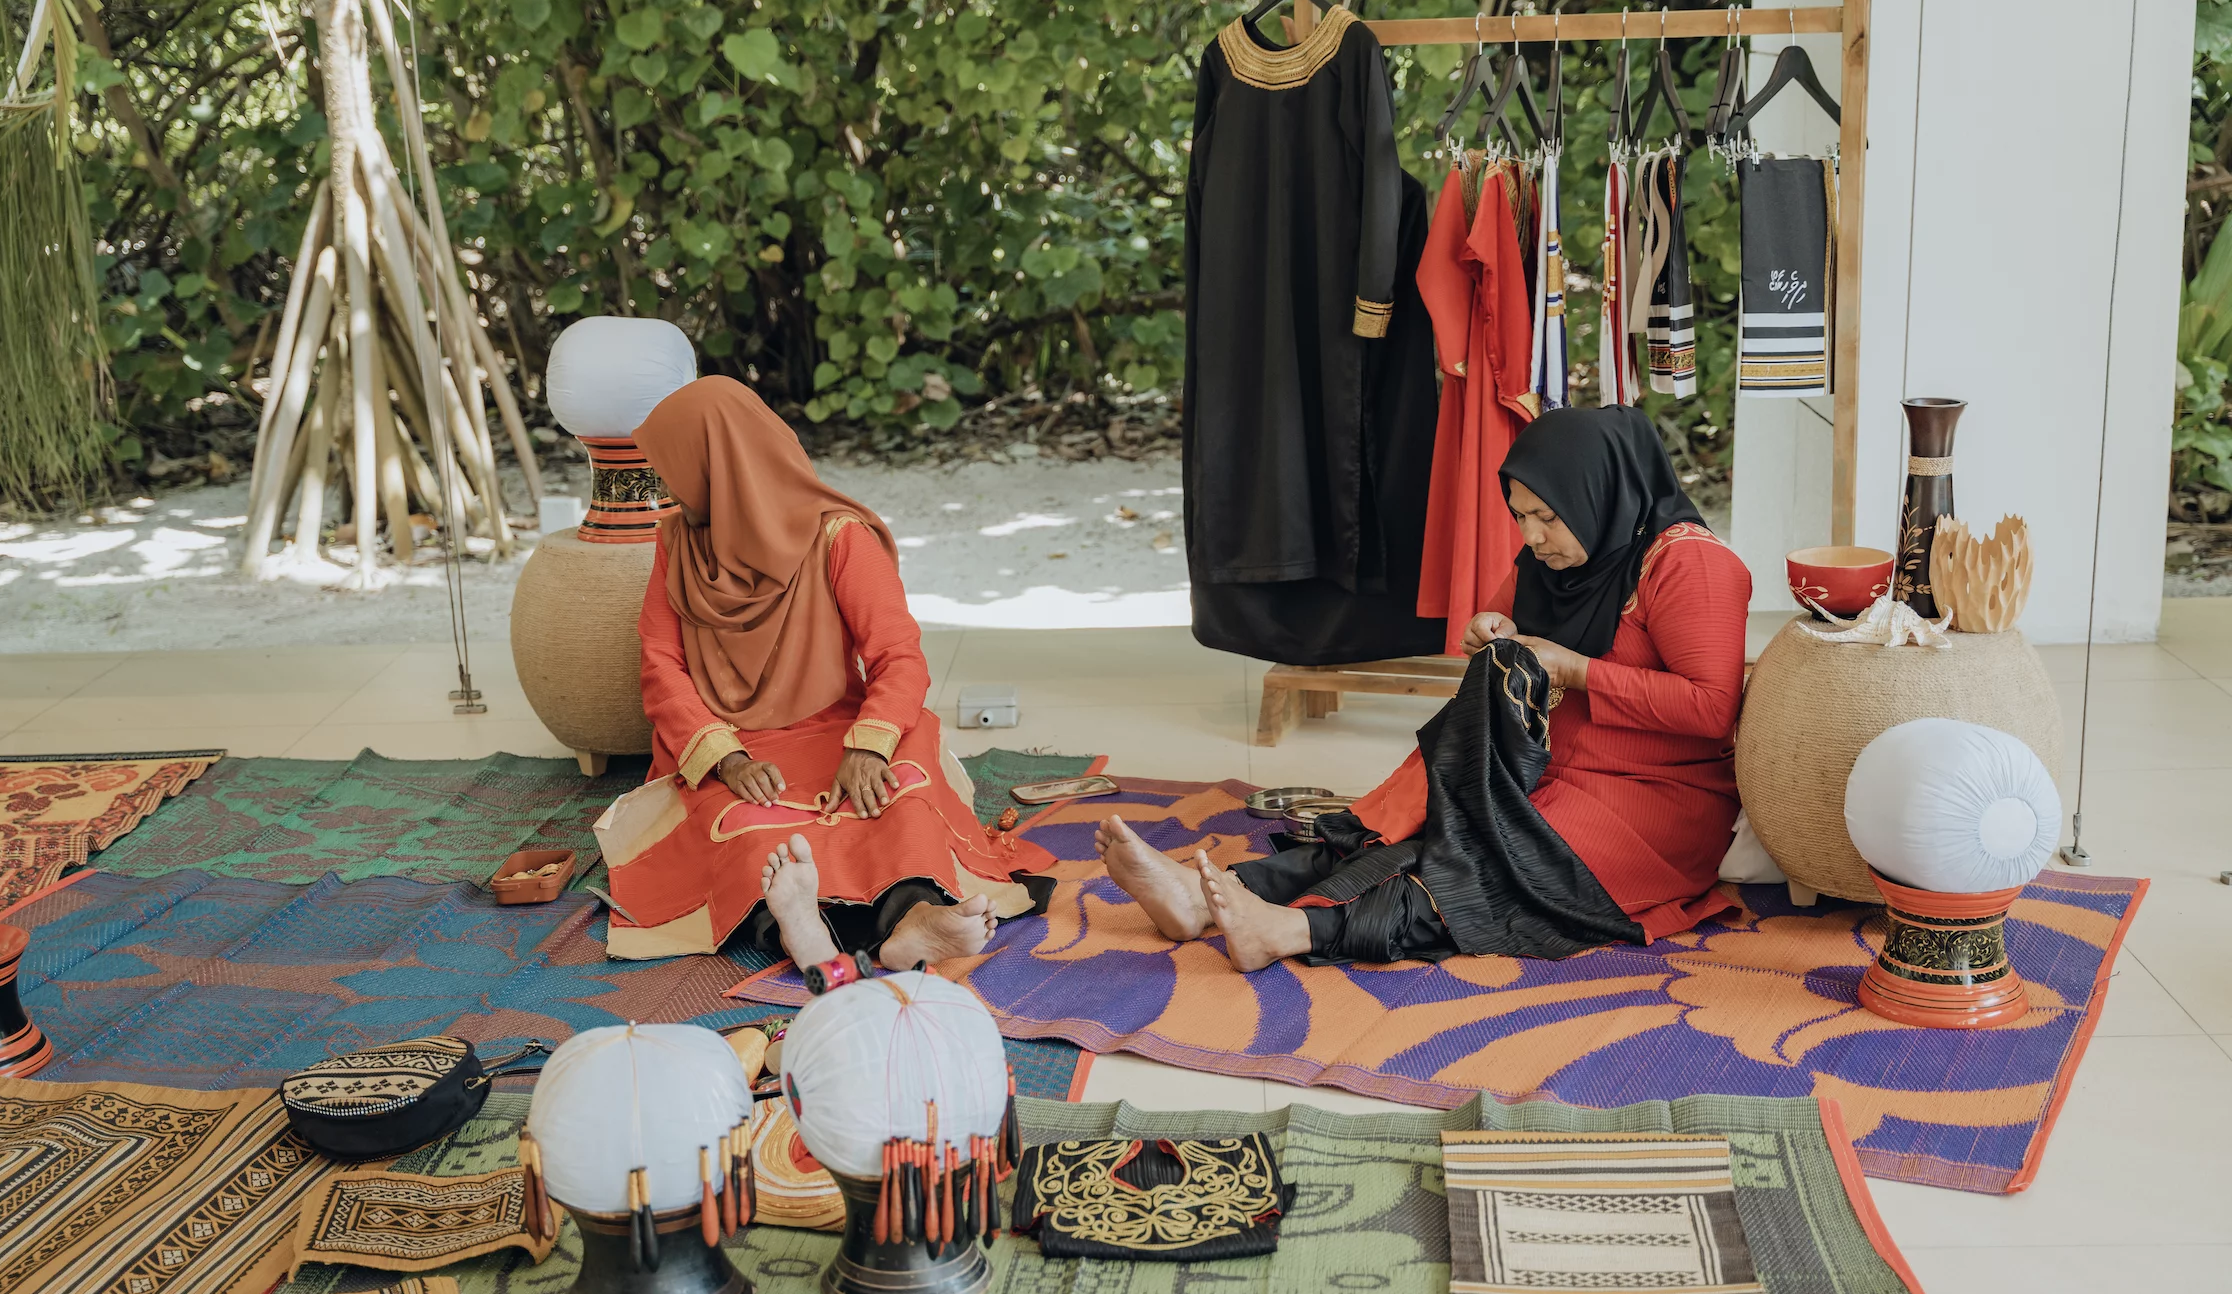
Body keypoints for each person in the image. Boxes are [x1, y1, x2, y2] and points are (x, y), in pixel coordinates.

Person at [1099, 405, 1752, 970]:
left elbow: (1711, 708)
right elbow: (1504, 624)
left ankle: (1294, 932)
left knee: (1494, 860)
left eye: (1548, 517)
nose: (1531, 536)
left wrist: (1574, 669)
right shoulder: (1555, 559)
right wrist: (1489, 630)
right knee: (1424, 823)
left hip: (1653, 799)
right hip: (1550, 768)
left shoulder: (1692, 567)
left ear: (1598, 494)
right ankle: (1204, 894)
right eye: (1520, 515)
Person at [592, 376, 1052, 963]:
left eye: (671, 465)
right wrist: (724, 757)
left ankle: (913, 919)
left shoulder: (839, 536)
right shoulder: (677, 542)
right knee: (746, 823)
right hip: (730, 745)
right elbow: (661, 665)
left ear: (721, 464)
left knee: (896, 795)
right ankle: (801, 926)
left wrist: (870, 746)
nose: (662, 484)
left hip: (843, 728)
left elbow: (898, 657)